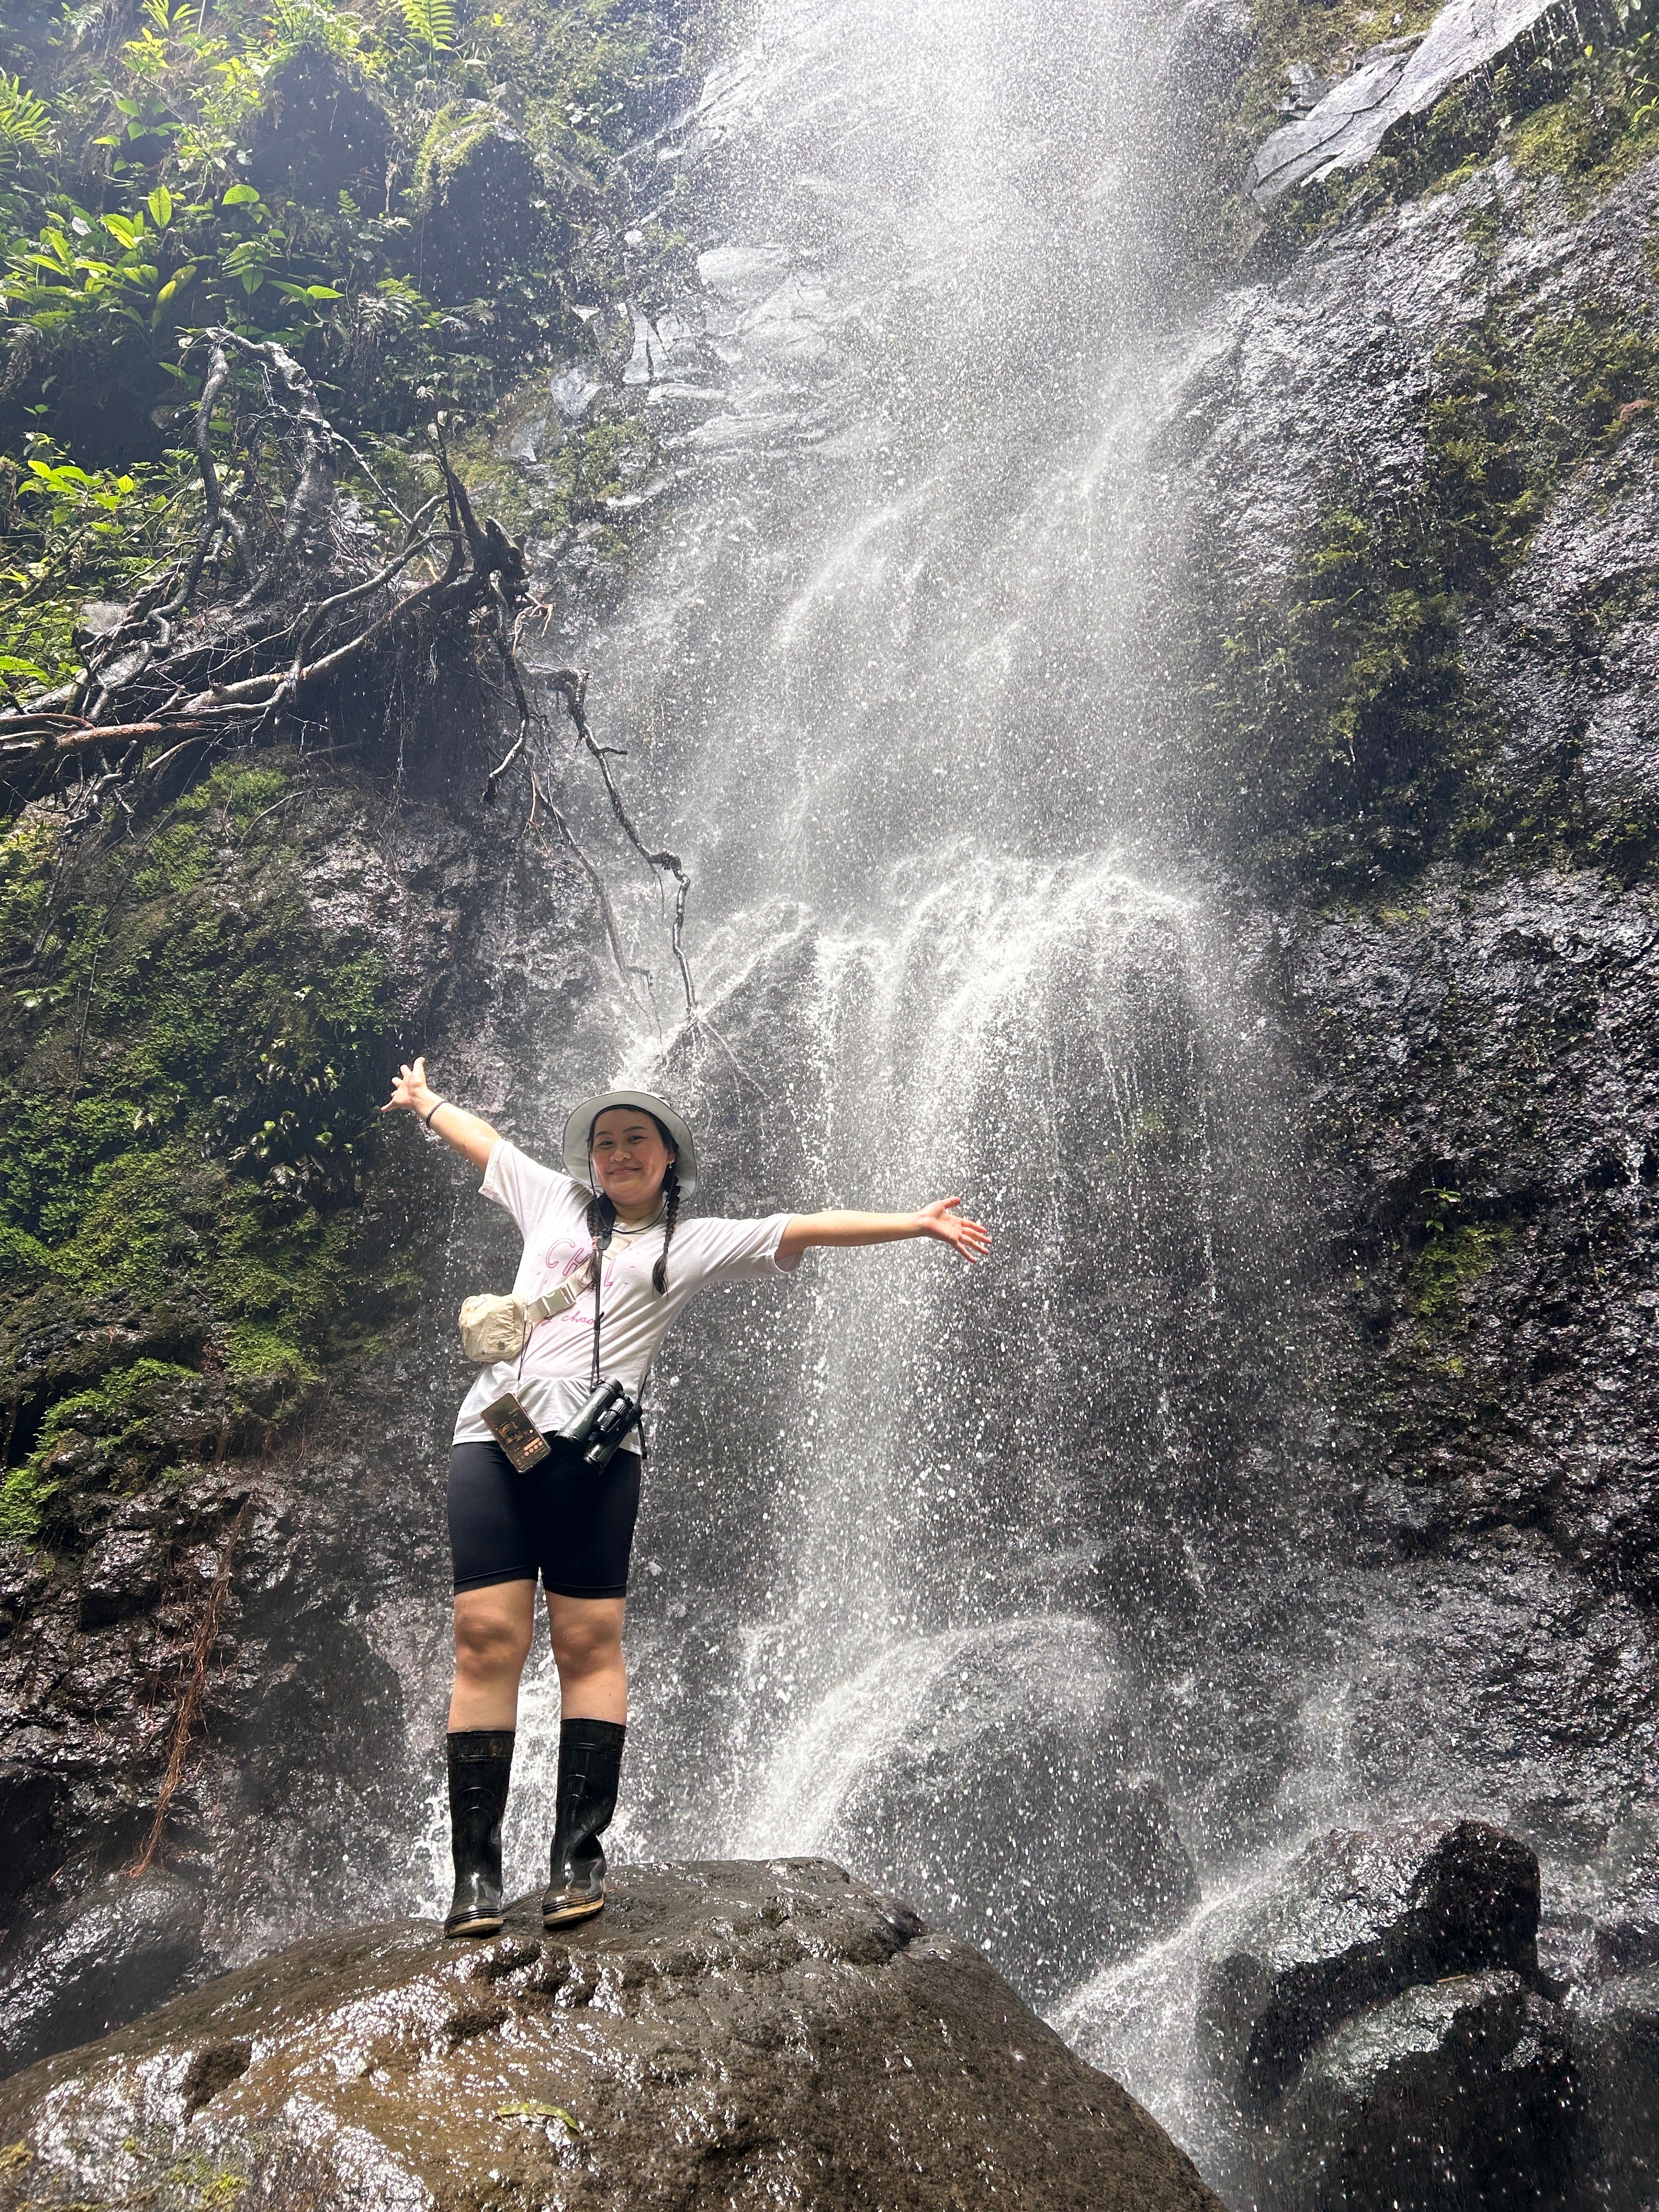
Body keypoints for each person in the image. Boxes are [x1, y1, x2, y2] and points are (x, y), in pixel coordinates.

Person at [382, 1058, 991, 1938]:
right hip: (494, 1435)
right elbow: (487, 1145)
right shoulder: (551, 1202)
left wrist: (916, 1224)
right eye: (605, 1142)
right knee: (484, 1639)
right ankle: (474, 1876)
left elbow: (808, 1227)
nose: (618, 1153)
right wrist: (425, 1102)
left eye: (636, 1140)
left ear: (667, 1157)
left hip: (597, 1453)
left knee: (588, 1640)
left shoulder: (692, 1242)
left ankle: (575, 1861)